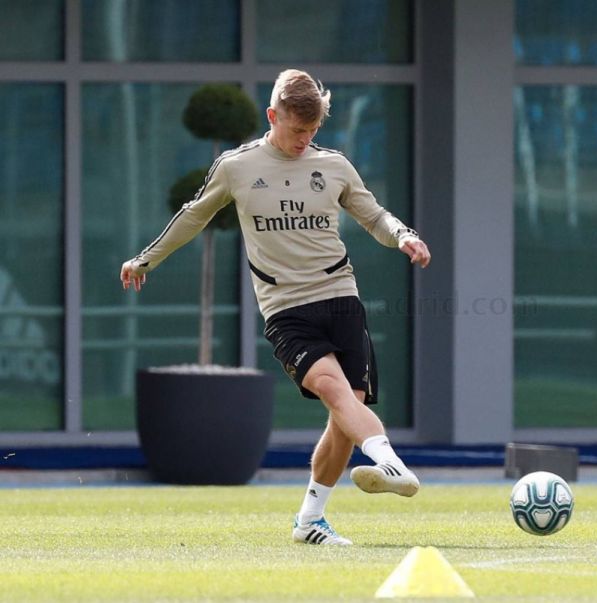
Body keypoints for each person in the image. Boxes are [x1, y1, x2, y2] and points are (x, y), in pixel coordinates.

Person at [120, 69, 430, 546]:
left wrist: (403, 235)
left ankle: (309, 521)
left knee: (349, 410)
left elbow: (374, 214)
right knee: (334, 390)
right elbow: (193, 215)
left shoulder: (336, 166)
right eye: (296, 130)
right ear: (272, 116)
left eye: (313, 131)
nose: (305, 140)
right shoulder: (237, 166)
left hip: (341, 297)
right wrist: (146, 259)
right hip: (286, 307)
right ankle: (389, 461)